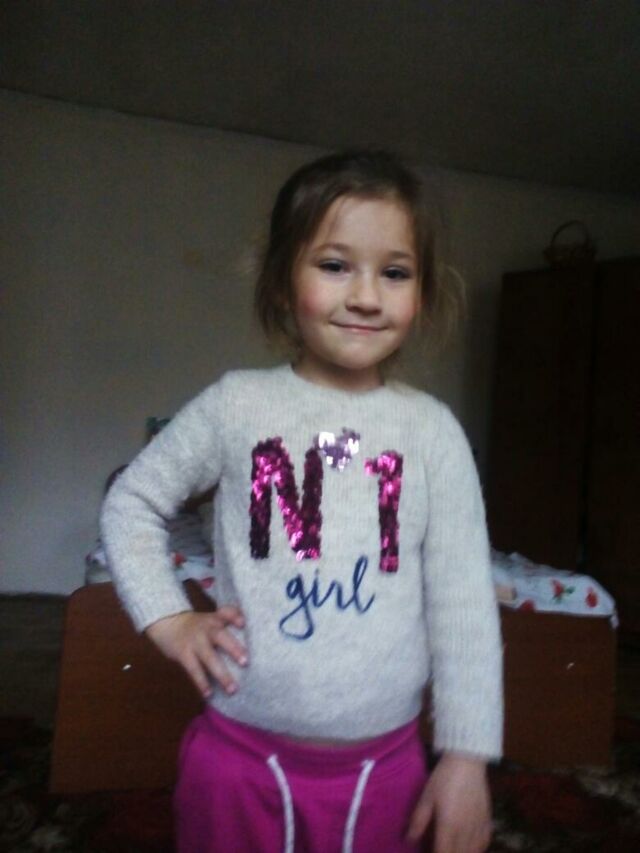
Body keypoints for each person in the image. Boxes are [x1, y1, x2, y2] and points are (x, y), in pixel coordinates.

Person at [101, 149, 503, 853]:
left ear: (423, 291)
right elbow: (131, 499)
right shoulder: (236, 405)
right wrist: (170, 618)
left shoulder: (433, 432)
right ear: (283, 281)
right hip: (236, 764)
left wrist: (466, 760)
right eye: (335, 264)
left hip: (386, 772)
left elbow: (465, 599)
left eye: (396, 272)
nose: (367, 296)